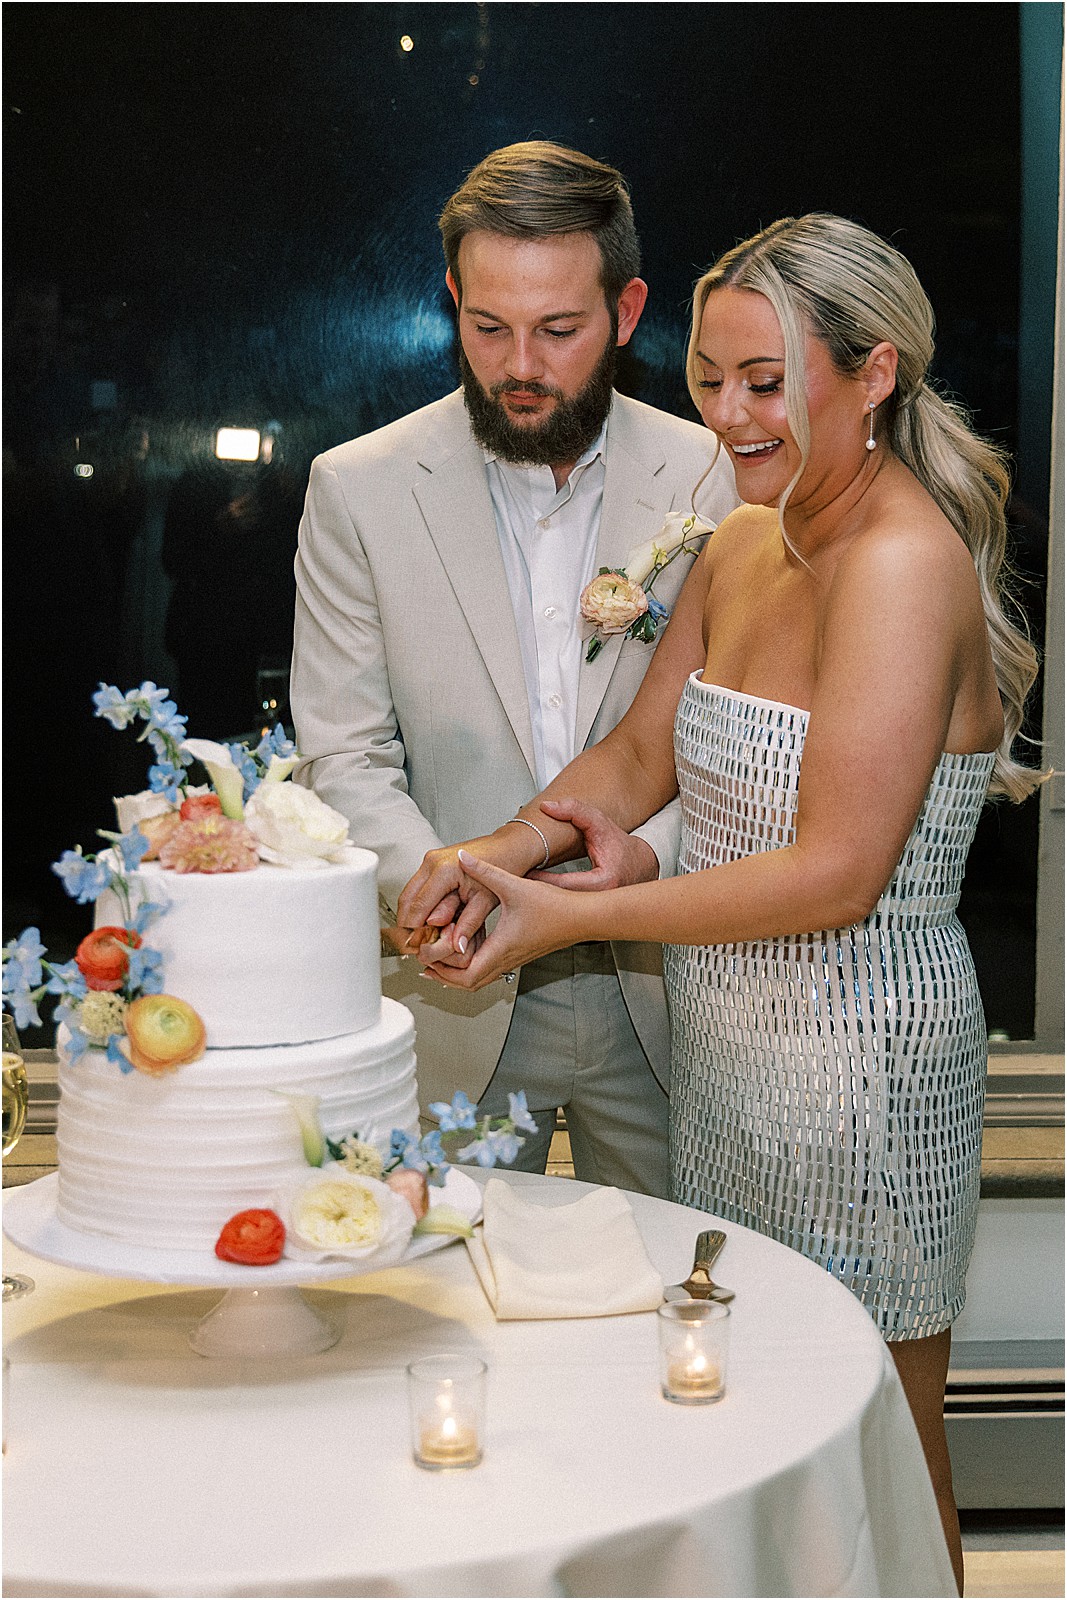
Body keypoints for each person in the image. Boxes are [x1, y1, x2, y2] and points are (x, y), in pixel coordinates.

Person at [398, 213, 1041, 1591]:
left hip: (862, 1072)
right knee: (753, 1420)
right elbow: (636, 755)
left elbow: (833, 875)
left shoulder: (899, 561)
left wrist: (567, 917)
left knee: (874, 1427)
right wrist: (493, 853)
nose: (728, 415)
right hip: (732, 1061)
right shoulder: (747, 539)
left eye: (764, 381)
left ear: (870, 375)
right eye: (708, 377)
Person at [289, 141, 738, 1197]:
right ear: (450, 299)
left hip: (670, 987)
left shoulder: (716, 477)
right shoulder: (357, 489)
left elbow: (738, 737)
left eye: (557, 329)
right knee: (448, 1325)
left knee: (685, 1315)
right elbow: (343, 757)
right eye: (486, 326)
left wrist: (638, 866)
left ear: (625, 313)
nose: (519, 364)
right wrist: (458, 898)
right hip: (457, 997)